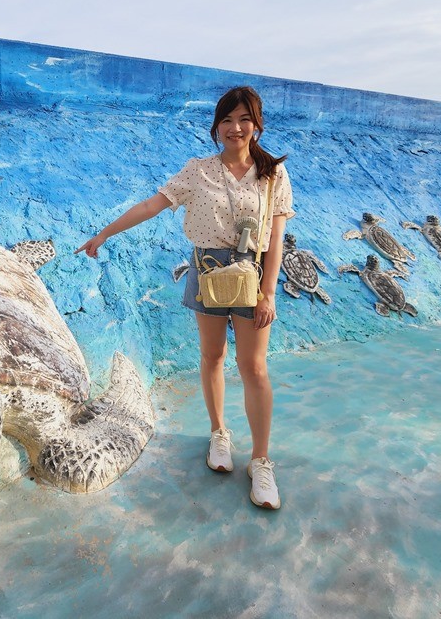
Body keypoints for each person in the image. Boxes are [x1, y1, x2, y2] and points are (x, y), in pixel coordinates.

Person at [75, 86, 294, 509]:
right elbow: (151, 205)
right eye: (227, 120)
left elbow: (278, 237)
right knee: (212, 357)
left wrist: (269, 292)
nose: (235, 128)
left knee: (254, 366)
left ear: (257, 124)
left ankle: (261, 461)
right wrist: (104, 233)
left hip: (252, 273)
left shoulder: (273, 175)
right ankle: (218, 435)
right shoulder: (198, 170)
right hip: (207, 271)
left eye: (244, 119)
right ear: (216, 126)